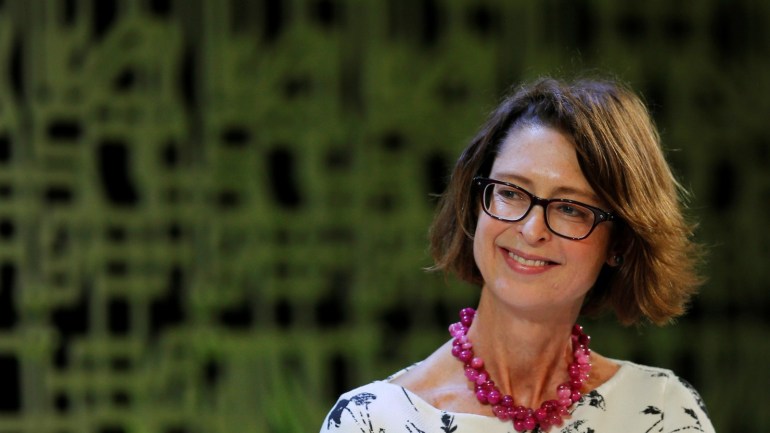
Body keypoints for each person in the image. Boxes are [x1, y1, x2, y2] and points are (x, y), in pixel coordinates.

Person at [320, 77, 715, 433]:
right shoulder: (371, 421)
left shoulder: (662, 412)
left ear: (619, 244)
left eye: (570, 209)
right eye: (510, 193)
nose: (531, 230)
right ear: (477, 204)